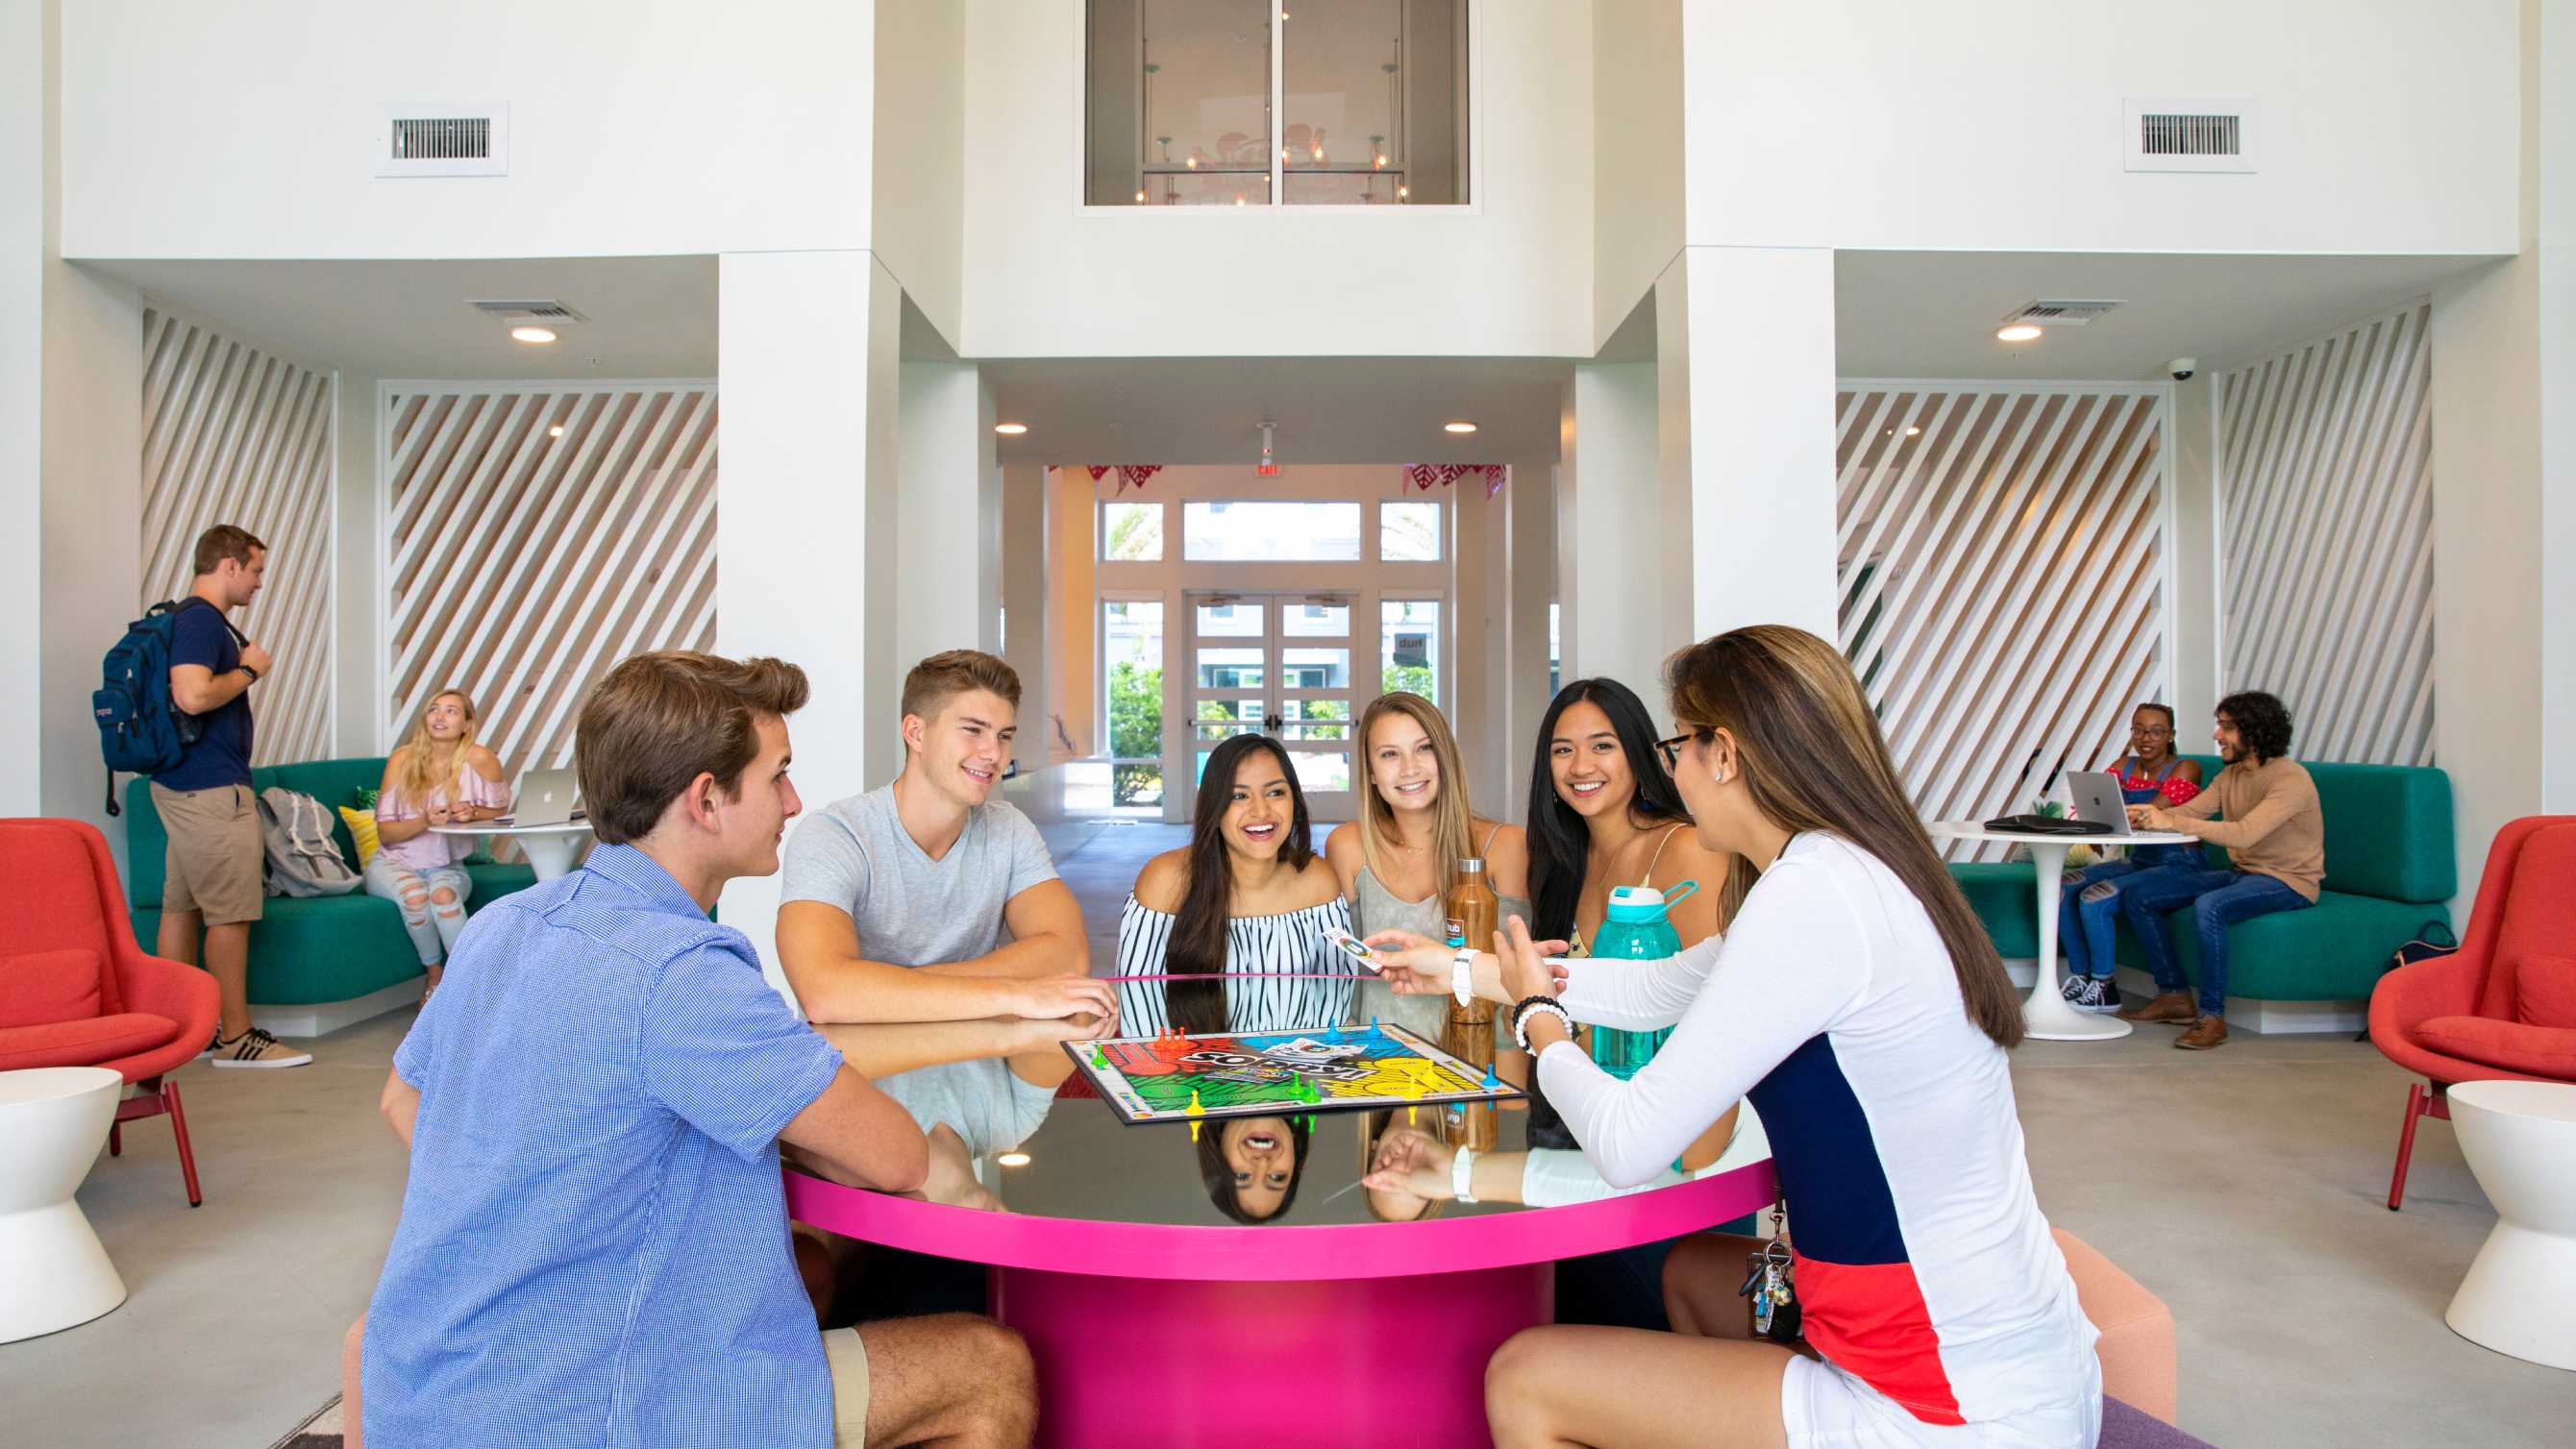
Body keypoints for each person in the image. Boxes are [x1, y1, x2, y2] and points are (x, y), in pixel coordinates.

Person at [1373, 625, 2100, 1449]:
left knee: (1525, 1378)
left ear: (1726, 755)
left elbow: (1629, 1141)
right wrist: (1464, 971)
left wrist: (1539, 1020)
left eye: (1677, 743)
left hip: (1946, 1401)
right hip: (2017, 1352)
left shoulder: (1813, 899)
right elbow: (1655, 988)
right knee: (1692, 1272)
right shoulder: (1850, 869)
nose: (1670, 766)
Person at [364, 650, 1035, 1448]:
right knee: (988, 1368)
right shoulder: (684, 975)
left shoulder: (505, 924)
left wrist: (557, 1224)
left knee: (815, 1274)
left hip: (429, 1387)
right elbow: (893, 1155)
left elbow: (404, 1100)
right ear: (707, 800)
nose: (794, 800)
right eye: (778, 775)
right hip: (591, 1409)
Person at [777, 650, 1110, 1030]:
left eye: (1004, 736)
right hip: (859, 1073)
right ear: (915, 733)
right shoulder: (836, 835)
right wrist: (1013, 993)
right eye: (973, 730)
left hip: (976, 1064)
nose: (993, 753)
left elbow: (1068, 955)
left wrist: (882, 989)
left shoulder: (1009, 830)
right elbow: (826, 993)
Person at [1525, 677, 1741, 1158]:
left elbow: (1713, 1021)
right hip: (1577, 1125)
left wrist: (1692, 1166)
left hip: (1666, 1143)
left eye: (1603, 746)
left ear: (1639, 754)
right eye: (1563, 750)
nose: (1581, 766)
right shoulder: (1559, 864)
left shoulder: (1686, 849)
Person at [156, 524, 308, 1068]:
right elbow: (193, 696)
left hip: (182, 785)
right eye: (256, 570)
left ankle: (177, 1030)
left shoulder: (181, 618)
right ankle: (234, 1037)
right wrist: (249, 670)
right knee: (230, 914)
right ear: (228, 566)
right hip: (213, 788)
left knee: (182, 907)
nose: (259, 583)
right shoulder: (200, 622)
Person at [2114, 691, 2323, 1050]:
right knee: (2140, 897)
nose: (2216, 735)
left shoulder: (2290, 780)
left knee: (2210, 905)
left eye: (2226, 727)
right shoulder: (2232, 776)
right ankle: (2174, 995)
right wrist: (2147, 813)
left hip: (2289, 882)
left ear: (2254, 732)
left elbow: (2245, 831)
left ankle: (2212, 1017)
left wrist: (2171, 822)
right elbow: (2192, 812)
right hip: (2246, 873)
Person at [1115, 732, 1356, 1039]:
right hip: (1192, 1081)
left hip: (1298, 1077)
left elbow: (1336, 998)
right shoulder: (1164, 881)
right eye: (1239, 796)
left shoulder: (1319, 881)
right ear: (1214, 809)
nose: (1261, 811)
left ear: (1294, 801)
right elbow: (1140, 1013)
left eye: (1275, 793)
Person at [1324, 692, 1529, 1044]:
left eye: (1423, 748)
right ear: (1371, 773)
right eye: (1390, 754)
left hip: (1478, 1069)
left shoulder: (1504, 845)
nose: (1409, 768)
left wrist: (1506, 1096)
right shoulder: (1347, 846)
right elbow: (1349, 980)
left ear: (1444, 756)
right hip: (1376, 1068)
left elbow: (1513, 997)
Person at [2055, 702, 2205, 1015]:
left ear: (2171, 735)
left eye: (2156, 731)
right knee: (2064, 887)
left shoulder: (2185, 767)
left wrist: (2116, 815)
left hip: (2179, 864)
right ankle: (2081, 978)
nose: (2146, 738)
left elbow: (2151, 814)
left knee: (2095, 897)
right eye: (2138, 729)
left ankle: (2105, 985)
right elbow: (2100, 808)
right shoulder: (2123, 764)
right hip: (2142, 860)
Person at [367, 688, 510, 998]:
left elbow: (500, 810)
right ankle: (435, 978)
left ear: (466, 724)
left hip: (447, 865)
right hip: (392, 864)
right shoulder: (402, 760)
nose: (440, 716)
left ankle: (471, 983)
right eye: (434, 709)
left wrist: (471, 813)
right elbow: (386, 835)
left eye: (451, 711)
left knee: (444, 896)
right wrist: (425, 820)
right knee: (416, 896)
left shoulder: (479, 759)